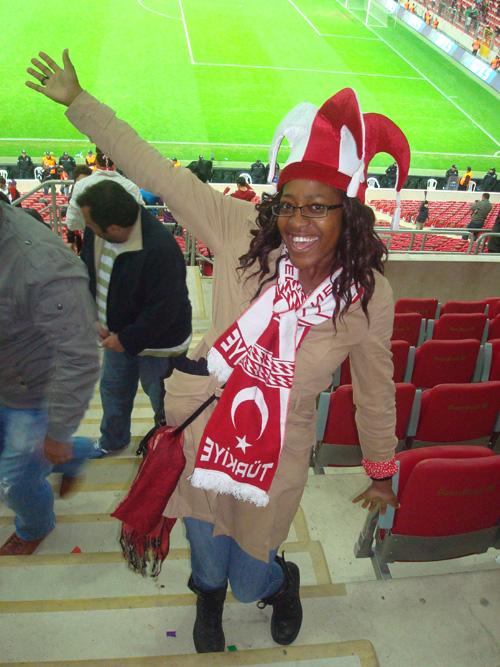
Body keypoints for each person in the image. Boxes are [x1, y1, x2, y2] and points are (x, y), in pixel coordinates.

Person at [26, 50, 407, 653]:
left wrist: (383, 470)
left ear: (349, 212)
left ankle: (278, 584)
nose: (297, 222)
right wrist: (80, 103)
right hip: (204, 431)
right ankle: (207, 601)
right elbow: (158, 171)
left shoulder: (367, 295)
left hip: (279, 454)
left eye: (317, 207)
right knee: (206, 555)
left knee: (251, 568)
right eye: (289, 204)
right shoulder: (236, 230)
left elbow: (377, 387)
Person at [0, 201, 100, 555]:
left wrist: (57, 432)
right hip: (8, 380)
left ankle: (34, 527)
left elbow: (81, 354)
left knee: (14, 482)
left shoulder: (40, 264)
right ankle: (78, 452)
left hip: (33, 394)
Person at [76, 180, 192, 454]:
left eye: (92, 227)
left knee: (164, 402)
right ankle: (112, 443)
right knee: (113, 392)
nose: (88, 230)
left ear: (114, 229)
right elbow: (88, 273)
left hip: (159, 347)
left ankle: (166, 451)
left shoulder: (161, 249)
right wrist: (93, 316)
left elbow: (165, 308)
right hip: (116, 337)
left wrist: (127, 339)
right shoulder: (97, 230)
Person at [65, 147, 143, 232]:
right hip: (123, 240)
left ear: (96, 162)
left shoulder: (81, 185)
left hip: (92, 238)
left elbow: (72, 222)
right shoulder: (131, 187)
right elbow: (140, 220)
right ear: (116, 163)